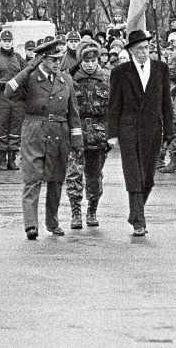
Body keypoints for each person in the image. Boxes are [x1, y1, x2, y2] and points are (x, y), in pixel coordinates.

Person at [5, 39, 83, 240]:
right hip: (34, 132)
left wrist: (77, 140)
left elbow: (73, 113)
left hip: (59, 133)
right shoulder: (29, 79)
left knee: (56, 180)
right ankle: (31, 225)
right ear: (42, 59)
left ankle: (52, 222)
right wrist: (28, 69)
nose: (57, 62)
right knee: (32, 179)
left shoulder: (65, 80)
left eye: (59, 58)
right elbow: (8, 91)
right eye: (53, 59)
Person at [107, 29, 175, 236]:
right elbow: (114, 105)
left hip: (153, 128)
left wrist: (170, 132)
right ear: (131, 51)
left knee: (148, 178)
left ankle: (136, 211)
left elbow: (166, 103)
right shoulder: (120, 72)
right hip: (129, 128)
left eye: (146, 48)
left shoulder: (161, 69)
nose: (144, 52)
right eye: (139, 49)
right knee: (133, 174)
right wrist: (112, 133)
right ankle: (139, 220)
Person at [66, 42, 111, 228]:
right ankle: (75, 212)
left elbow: (113, 109)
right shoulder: (72, 79)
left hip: (99, 135)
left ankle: (92, 210)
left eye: (94, 60)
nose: (90, 64)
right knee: (74, 174)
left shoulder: (107, 79)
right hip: (77, 133)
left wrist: (111, 134)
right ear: (81, 61)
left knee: (94, 176)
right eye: (86, 61)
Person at [0, 30, 26, 170]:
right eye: (4, 41)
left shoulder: (19, 58)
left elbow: (26, 74)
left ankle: (11, 159)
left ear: (12, 42)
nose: (7, 43)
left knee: (15, 128)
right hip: (1, 97)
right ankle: (1, 159)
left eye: (9, 41)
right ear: (0, 42)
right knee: (1, 128)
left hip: (17, 97)